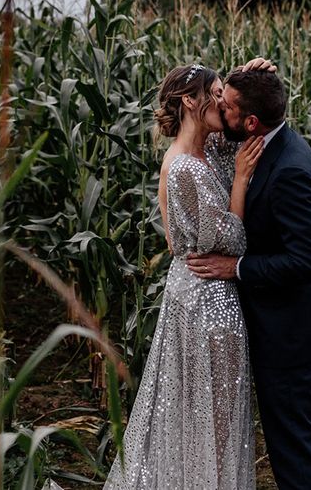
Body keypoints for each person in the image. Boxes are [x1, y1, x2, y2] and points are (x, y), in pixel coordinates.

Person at [103, 62, 265, 490]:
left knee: (203, 422)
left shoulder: (204, 151)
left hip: (195, 300)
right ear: (189, 102)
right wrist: (243, 181)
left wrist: (246, 72)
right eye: (213, 93)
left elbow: (244, 123)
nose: (220, 102)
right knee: (212, 426)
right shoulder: (185, 169)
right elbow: (231, 238)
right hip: (209, 309)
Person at [188, 67, 311, 490]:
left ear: (251, 121)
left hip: (291, 332)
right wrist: (245, 74)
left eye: (228, 106)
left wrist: (234, 267)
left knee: (291, 447)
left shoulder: (290, 169)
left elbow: (306, 262)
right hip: (285, 323)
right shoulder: (261, 142)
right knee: (290, 441)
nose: (220, 107)